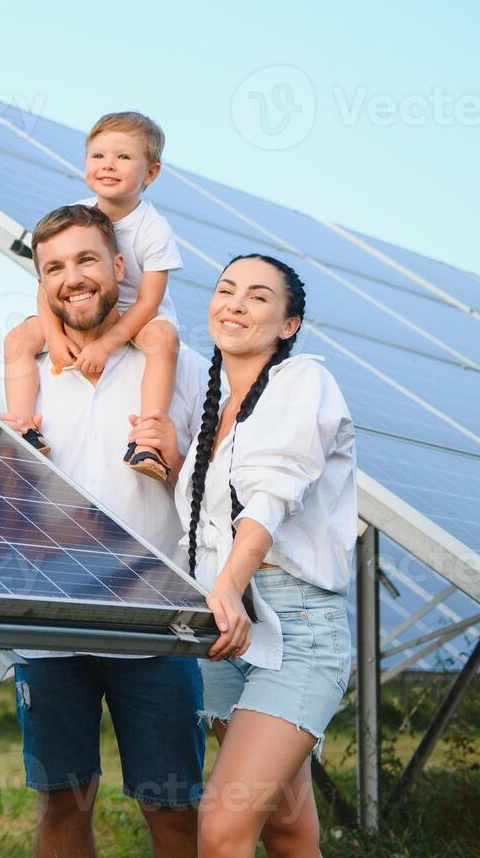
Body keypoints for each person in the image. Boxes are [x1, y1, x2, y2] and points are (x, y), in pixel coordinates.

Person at [0, 204, 208, 858]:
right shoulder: (18, 371)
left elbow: (221, 495)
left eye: (85, 260)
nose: (71, 278)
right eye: (53, 267)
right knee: (61, 802)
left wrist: (173, 465)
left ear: (117, 266)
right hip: (47, 620)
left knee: (170, 808)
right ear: (39, 282)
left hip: (152, 622)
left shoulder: (179, 367)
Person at [130, 253, 357, 857]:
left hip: (296, 626)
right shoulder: (216, 411)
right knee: (284, 826)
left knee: (222, 828)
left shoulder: (302, 381)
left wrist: (226, 587)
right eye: (226, 289)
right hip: (230, 630)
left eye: (258, 297)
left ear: (289, 325)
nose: (234, 303)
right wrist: (176, 467)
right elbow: (215, 520)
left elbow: (271, 499)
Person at [2, 111, 182, 482]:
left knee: (163, 342)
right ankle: (22, 426)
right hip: (80, 314)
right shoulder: (77, 215)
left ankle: (147, 439)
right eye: (98, 156)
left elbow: (149, 301)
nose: (108, 166)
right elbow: (45, 285)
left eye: (124, 157)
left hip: (137, 318)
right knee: (19, 339)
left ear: (151, 173)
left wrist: (107, 345)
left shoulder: (153, 229)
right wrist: (53, 336)